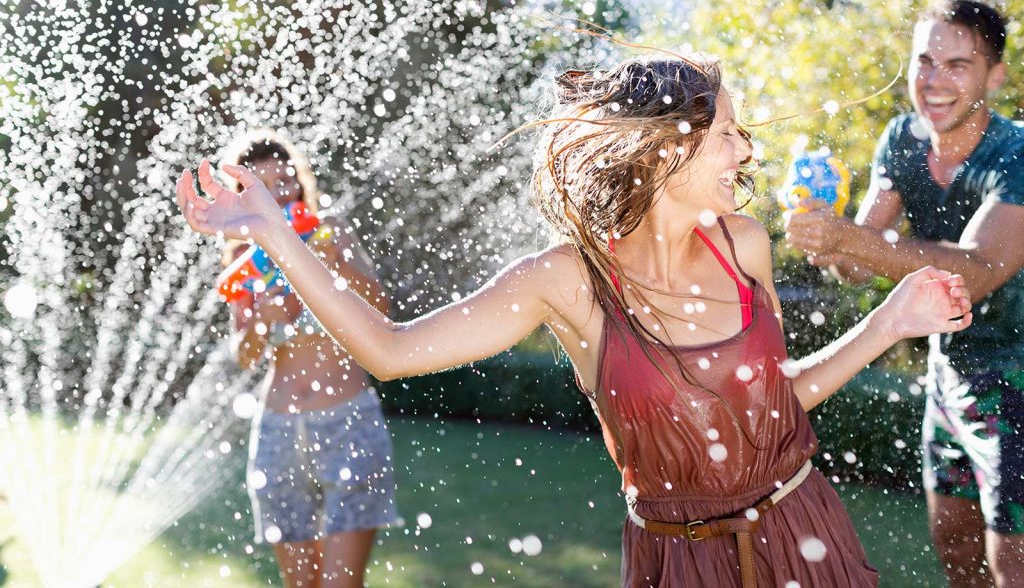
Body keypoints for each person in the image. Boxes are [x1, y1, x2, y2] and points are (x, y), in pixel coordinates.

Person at [180, 56, 972, 587]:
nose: (746, 151)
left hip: (806, 530)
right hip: (681, 558)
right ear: (665, 149)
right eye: (727, 133)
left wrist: (892, 321)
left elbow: (774, 398)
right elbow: (388, 349)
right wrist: (274, 232)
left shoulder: (745, 246)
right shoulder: (567, 280)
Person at [785, 0, 1024, 587]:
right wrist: (827, 233)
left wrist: (850, 240)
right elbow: (858, 266)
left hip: (1019, 387)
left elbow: (979, 271)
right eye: (925, 61)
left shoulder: (1016, 155)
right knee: (957, 551)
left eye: (957, 65)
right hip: (950, 379)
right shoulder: (901, 138)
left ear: (995, 75)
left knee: (1012, 565)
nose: (934, 81)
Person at [222, 130, 400, 588]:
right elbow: (243, 356)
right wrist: (262, 319)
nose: (279, 194)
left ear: (299, 183)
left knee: (341, 584)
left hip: (348, 421)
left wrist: (333, 264)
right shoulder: (246, 257)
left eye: (285, 182)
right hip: (279, 429)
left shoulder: (329, 231)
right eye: (264, 186)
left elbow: (381, 310)